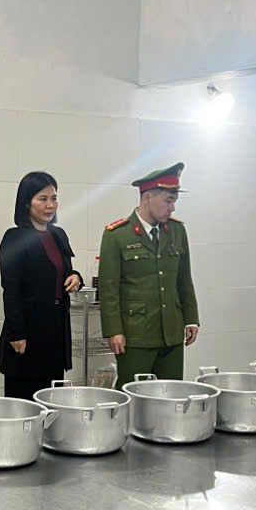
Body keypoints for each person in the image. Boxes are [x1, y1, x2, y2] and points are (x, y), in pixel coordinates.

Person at [97, 163, 199, 387]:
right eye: (168, 201)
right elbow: (108, 289)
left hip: (172, 334)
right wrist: (114, 331)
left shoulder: (177, 231)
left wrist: (191, 318)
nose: (172, 208)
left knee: (170, 395)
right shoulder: (117, 235)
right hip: (136, 335)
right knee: (134, 395)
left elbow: (183, 279)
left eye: (174, 201)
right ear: (147, 198)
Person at [0, 171, 82, 399]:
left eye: (54, 198)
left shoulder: (58, 234)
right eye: (42, 199)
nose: (50, 205)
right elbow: (11, 289)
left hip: (56, 328)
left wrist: (76, 277)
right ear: (27, 203)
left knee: (52, 396)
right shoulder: (14, 238)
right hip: (28, 328)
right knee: (24, 397)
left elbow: (66, 270)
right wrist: (16, 333)